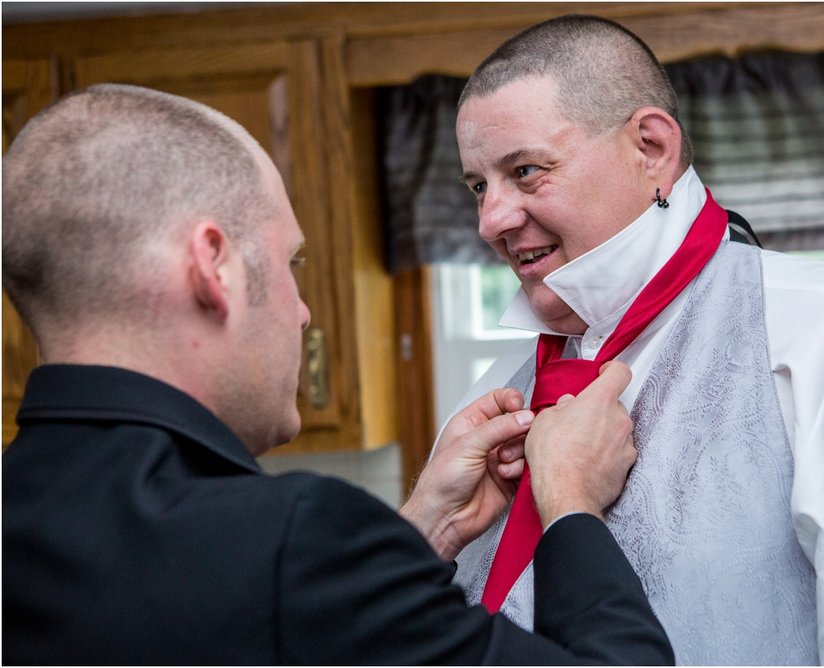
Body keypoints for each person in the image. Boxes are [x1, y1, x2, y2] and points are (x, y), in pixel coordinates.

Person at [1, 83, 676, 665]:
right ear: (214, 266)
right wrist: (571, 502)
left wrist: (418, 535)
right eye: (291, 265)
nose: (302, 313)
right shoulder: (296, 540)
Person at [446, 14, 824, 666]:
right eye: (480, 186)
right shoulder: (489, 404)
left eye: (528, 171)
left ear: (651, 147)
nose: (491, 221)